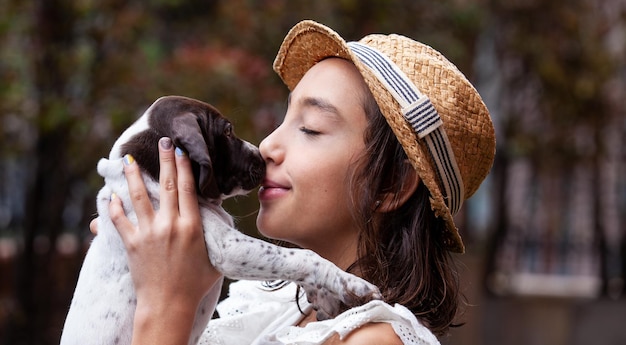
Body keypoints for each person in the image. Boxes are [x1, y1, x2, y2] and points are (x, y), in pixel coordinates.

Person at [104, 20, 496, 345]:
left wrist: (166, 303)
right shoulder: (275, 312)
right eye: (283, 119)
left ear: (391, 183)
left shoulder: (373, 340)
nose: (269, 145)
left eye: (310, 128)